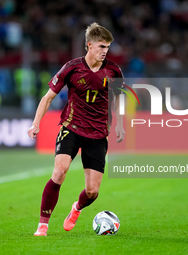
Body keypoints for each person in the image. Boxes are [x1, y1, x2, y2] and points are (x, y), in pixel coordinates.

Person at [28, 22, 125, 236]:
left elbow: (118, 99)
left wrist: (120, 124)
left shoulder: (114, 71)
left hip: (98, 134)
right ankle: (43, 224)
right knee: (59, 171)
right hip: (71, 128)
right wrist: (36, 123)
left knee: (92, 192)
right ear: (89, 45)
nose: (105, 51)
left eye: (107, 47)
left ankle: (76, 208)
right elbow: (47, 98)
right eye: (101, 46)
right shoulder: (71, 67)